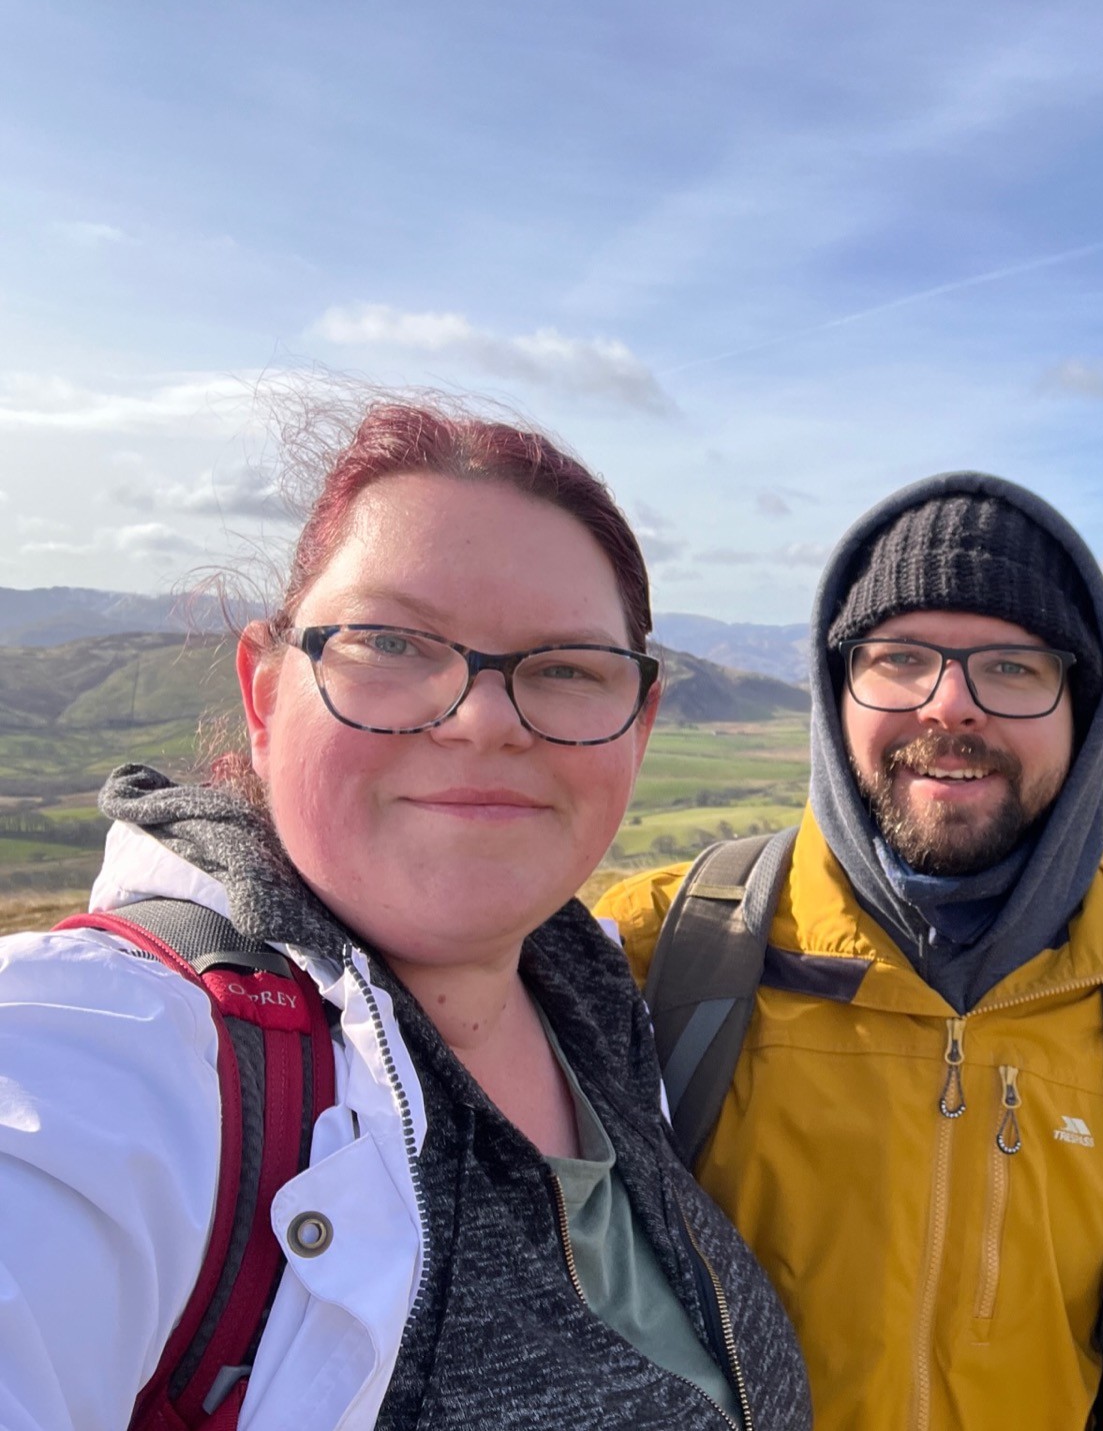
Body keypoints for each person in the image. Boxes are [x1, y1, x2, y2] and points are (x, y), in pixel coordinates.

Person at [0, 403, 810, 1431]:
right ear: (262, 697)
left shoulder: (604, 998)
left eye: (565, 667)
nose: (481, 718)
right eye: (389, 641)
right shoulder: (114, 1057)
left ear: (638, 726)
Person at [596, 472, 1103, 1430]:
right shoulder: (666, 953)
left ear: (1085, 710)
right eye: (902, 658)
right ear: (836, 693)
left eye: (1013, 668)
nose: (950, 707)